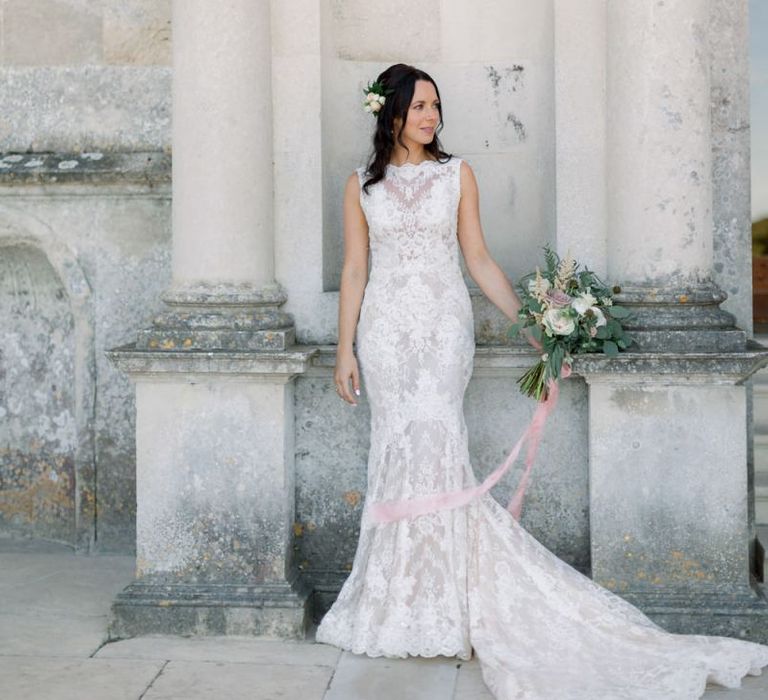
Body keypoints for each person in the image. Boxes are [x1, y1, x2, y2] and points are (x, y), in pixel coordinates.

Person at [314, 63, 768, 699]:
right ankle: (397, 600)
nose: (431, 116)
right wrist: (345, 350)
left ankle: (445, 603)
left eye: (435, 106)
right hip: (386, 336)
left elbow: (478, 259)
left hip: (443, 334)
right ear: (390, 112)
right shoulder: (360, 186)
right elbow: (356, 269)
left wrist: (534, 326)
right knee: (394, 449)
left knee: (439, 446)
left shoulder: (456, 175)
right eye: (420, 106)